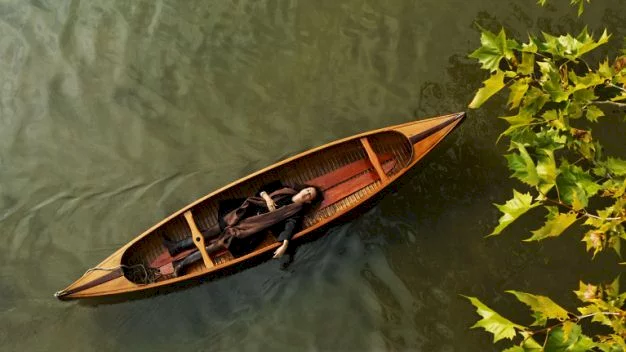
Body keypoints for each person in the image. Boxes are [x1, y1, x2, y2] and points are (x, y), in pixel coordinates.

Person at [165, 182, 321, 276]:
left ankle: (181, 264)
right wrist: (267, 199)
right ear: (303, 189)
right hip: (245, 211)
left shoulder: (295, 213)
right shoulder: (286, 188)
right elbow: (263, 189)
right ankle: (176, 247)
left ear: (308, 202)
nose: (307, 193)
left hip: (251, 228)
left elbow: (289, 229)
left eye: (310, 196)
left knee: (213, 247)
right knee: (209, 232)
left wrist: (285, 244)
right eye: (308, 190)